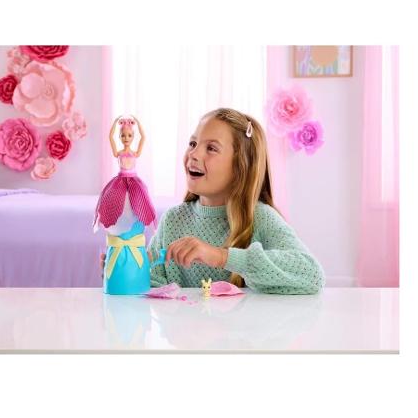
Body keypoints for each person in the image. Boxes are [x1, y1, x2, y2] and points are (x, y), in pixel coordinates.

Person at [101, 108, 325, 294]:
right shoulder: (173, 220)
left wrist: (221, 257)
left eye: (211, 148)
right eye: (192, 144)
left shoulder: (260, 218)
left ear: (240, 166)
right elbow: (154, 285)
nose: (194, 154)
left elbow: (311, 275)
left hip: (242, 335)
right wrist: (128, 270)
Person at [93, 115, 156, 232]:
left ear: (133, 137)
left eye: (129, 135)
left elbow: (143, 137)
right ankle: (110, 221)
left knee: (143, 197)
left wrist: (138, 123)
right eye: (123, 135)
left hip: (134, 180)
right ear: (120, 137)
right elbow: (110, 137)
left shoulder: (135, 153)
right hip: (120, 180)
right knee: (109, 196)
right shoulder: (118, 153)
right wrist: (115, 122)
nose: (126, 138)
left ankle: (144, 221)